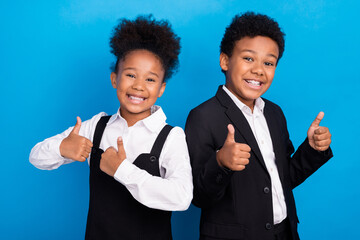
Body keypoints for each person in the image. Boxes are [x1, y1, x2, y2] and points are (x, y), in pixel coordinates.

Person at [30, 15, 193, 240]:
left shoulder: (171, 137)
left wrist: (122, 170)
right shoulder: (96, 126)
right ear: (114, 79)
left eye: (150, 79)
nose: (138, 86)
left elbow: (181, 197)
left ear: (161, 88)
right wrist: (61, 148)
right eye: (130, 75)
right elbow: (36, 157)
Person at [185, 12, 332, 240]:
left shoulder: (274, 113)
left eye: (269, 62)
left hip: (284, 233)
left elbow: (283, 179)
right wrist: (220, 163)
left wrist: (312, 150)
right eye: (248, 58)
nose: (259, 70)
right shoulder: (203, 117)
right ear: (225, 61)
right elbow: (199, 197)